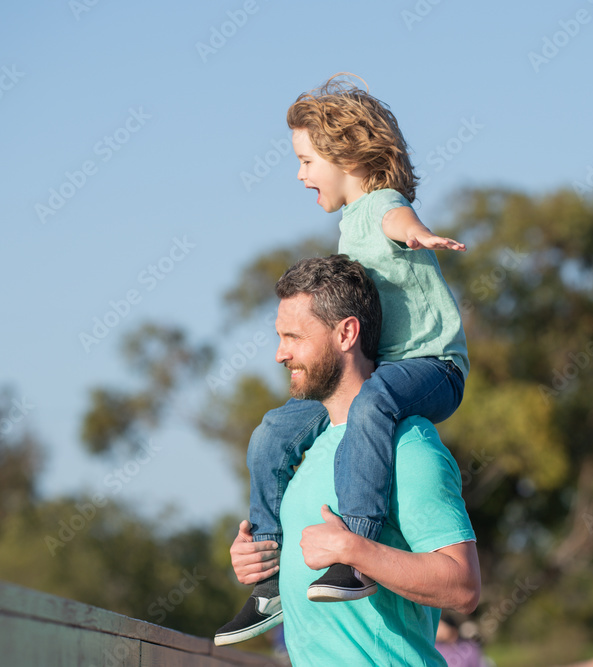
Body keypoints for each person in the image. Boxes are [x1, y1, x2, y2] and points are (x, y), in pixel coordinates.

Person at [216, 74, 470, 645]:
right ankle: (267, 578)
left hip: (432, 366)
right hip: (384, 374)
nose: (300, 173)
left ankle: (353, 547)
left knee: (373, 402)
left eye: (306, 160)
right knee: (272, 432)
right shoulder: (346, 227)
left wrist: (421, 236)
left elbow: (396, 221)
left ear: (344, 154)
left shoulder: (379, 205)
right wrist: (258, 554)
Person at [229, 255, 480, 665]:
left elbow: (464, 587)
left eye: (293, 337)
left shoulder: (408, 445)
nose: (279, 354)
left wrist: (355, 550)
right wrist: (261, 560)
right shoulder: (305, 453)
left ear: (346, 333)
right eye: (279, 336)